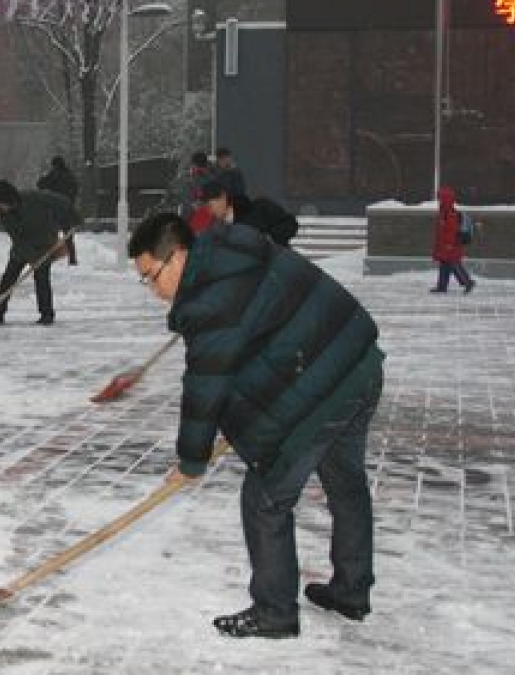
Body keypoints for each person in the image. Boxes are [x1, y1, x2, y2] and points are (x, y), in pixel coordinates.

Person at [128, 212, 384, 640]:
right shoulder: (233, 249)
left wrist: (192, 460)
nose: (152, 290)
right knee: (346, 484)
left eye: (150, 277)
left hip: (324, 380)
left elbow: (206, 385)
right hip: (357, 361)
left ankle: (275, 612)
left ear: (176, 257)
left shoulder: (209, 301)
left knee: (265, 500)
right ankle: (351, 592)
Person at [0, 180, 79, 326]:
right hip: (22, 245)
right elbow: (18, 239)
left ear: (7, 199)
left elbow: (62, 202)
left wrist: (74, 216)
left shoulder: (33, 198)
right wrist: (32, 258)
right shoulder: (5, 215)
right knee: (8, 277)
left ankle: (47, 314)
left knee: (41, 277)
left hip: (44, 242)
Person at [200, 180, 299, 247]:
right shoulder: (216, 231)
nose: (210, 211)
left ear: (223, 197)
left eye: (210, 206)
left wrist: (269, 239)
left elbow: (290, 224)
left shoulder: (261, 207)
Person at [431, 186, 476, 294]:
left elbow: (451, 231)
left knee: (454, 265)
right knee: (444, 266)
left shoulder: (450, 214)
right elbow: (441, 231)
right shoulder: (444, 212)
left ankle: (467, 282)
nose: (439, 201)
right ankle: (442, 287)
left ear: (446, 199)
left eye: (440, 198)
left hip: (451, 246)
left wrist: (448, 245)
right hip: (446, 245)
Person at [37, 156, 80, 264]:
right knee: (68, 235)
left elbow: (40, 185)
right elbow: (75, 190)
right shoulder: (70, 176)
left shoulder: (54, 175)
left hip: (55, 209)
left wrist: (43, 177)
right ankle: (72, 259)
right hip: (68, 209)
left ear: (54, 165)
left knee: (51, 234)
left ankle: (50, 256)